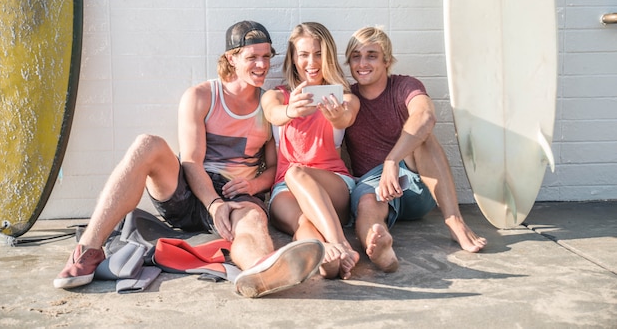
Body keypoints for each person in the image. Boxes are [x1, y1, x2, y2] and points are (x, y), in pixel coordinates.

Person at [54, 20, 324, 298]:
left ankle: (261, 272)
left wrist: (253, 187)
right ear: (232, 58)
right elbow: (192, 162)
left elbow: (275, 169)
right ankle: (88, 250)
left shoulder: (270, 103)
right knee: (147, 144)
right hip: (190, 194)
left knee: (254, 219)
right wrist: (214, 204)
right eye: (252, 57)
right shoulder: (201, 96)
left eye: (266, 57)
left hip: (237, 197)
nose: (261, 65)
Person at [344, 26, 487, 273]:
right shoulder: (348, 97)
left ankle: (454, 222)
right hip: (374, 186)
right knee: (366, 202)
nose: (362, 63)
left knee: (424, 138)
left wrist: (392, 160)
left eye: (371, 55)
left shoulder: (404, 86)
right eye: (356, 56)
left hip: (412, 183)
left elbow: (426, 115)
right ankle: (379, 244)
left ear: (387, 61)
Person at [261, 22, 360, 280]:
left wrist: (336, 115)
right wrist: (290, 111)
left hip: (333, 184)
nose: (311, 62)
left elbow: (345, 118)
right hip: (285, 189)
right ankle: (326, 259)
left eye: (319, 54)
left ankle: (340, 244)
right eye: (303, 54)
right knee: (303, 223)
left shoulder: (343, 97)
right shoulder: (278, 95)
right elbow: (273, 113)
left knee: (295, 172)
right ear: (293, 58)